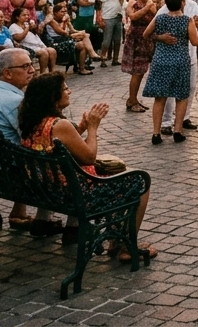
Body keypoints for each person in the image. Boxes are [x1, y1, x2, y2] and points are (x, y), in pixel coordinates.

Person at [18, 73, 154, 256]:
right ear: (52, 97)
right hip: (73, 192)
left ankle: (117, 238)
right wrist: (92, 127)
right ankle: (125, 246)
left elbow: (62, 143)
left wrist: (80, 128)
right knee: (140, 182)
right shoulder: (60, 124)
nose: (69, 91)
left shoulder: (33, 120)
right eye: (65, 89)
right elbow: (89, 157)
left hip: (47, 188)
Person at [142, 0, 198, 145]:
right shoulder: (187, 20)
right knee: (181, 96)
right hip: (180, 61)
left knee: (160, 97)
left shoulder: (160, 18)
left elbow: (146, 34)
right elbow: (195, 42)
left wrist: (159, 38)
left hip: (161, 60)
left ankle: (156, 133)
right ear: (182, 3)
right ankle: (178, 130)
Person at [122, 0, 158, 113]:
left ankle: (134, 99)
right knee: (137, 72)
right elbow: (133, 16)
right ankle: (131, 100)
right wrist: (148, 7)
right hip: (136, 41)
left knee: (141, 71)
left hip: (147, 41)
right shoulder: (135, 4)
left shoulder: (150, 4)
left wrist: (152, 5)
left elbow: (156, 16)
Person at [10, 8, 57, 73]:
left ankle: (52, 71)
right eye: (24, 15)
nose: (27, 16)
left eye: (27, 15)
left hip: (37, 44)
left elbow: (39, 33)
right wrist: (27, 28)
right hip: (26, 46)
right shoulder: (13, 26)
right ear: (17, 17)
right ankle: (42, 73)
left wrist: (35, 28)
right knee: (43, 53)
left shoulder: (27, 23)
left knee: (52, 51)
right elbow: (19, 38)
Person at [96, 0, 125, 67]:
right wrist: (99, 18)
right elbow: (99, 6)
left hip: (118, 17)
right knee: (107, 40)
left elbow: (122, 2)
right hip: (107, 17)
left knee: (117, 40)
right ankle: (103, 58)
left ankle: (115, 59)